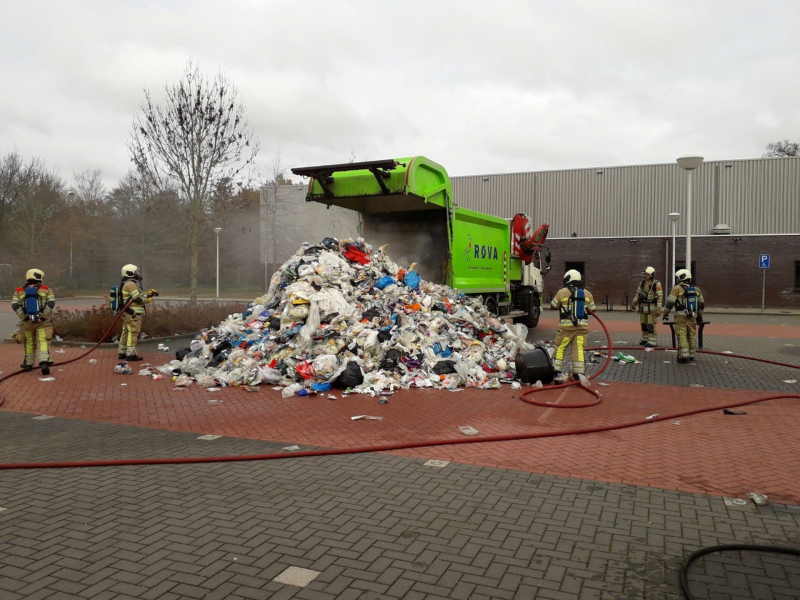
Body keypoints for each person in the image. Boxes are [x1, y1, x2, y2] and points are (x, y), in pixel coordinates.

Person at [550, 269, 596, 382]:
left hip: (566, 328)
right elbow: (592, 310)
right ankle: (578, 374)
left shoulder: (562, 292)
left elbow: (553, 305)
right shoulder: (587, 293)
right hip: (581, 328)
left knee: (561, 348)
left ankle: (556, 372)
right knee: (578, 349)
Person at [11, 268, 56, 374]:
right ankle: (44, 362)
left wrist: (24, 317)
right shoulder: (46, 289)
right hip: (43, 323)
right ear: (38, 277)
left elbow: (15, 305)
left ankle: (28, 364)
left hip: (27, 323)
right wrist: (43, 317)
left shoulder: (19, 291)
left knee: (29, 342)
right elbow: (51, 303)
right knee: (43, 341)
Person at [662, 269, 705, 364]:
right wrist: (699, 317)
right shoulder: (696, 290)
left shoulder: (676, 289)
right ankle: (692, 355)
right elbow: (702, 304)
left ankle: (684, 356)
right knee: (691, 335)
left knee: (682, 335)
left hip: (680, 317)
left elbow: (670, 303)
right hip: (692, 317)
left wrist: (665, 313)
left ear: (681, 278)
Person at [117, 264, 158, 361]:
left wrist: (148, 294)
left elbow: (135, 296)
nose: (137, 274)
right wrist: (149, 300)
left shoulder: (126, 283)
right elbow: (137, 299)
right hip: (133, 314)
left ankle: (122, 352)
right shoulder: (131, 284)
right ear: (130, 273)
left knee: (126, 332)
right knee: (133, 333)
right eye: (135, 272)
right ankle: (131, 354)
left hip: (128, 313)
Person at [631, 266, 663, 347]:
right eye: (645, 274)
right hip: (643, 308)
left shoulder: (656, 284)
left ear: (652, 274)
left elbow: (660, 297)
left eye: (647, 274)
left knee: (650, 325)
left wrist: (658, 309)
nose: (645, 275)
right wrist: (634, 303)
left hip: (651, 309)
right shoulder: (642, 283)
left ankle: (652, 341)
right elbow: (638, 294)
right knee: (643, 324)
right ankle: (644, 339)